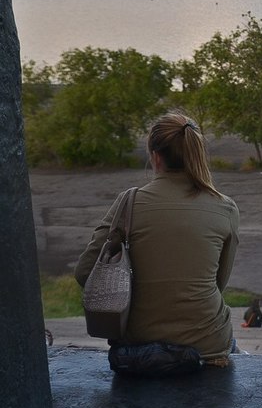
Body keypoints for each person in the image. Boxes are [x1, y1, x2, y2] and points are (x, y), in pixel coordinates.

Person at [75, 112, 240, 366]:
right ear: (194, 153)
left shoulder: (128, 203)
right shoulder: (226, 208)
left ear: (155, 156)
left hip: (140, 347)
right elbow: (219, 282)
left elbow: (85, 272)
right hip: (208, 345)